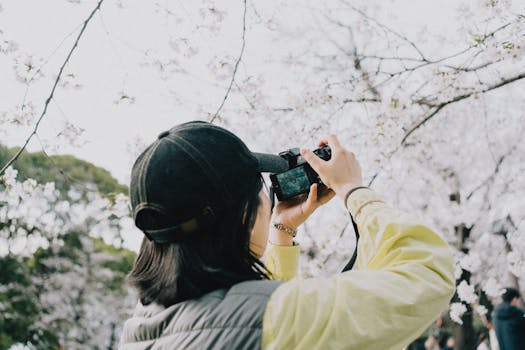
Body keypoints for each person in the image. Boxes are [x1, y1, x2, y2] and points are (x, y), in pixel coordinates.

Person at [118, 121, 455, 350]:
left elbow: (241, 316)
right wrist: (353, 190)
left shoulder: (142, 324)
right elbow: (426, 275)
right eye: (260, 188)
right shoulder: (278, 318)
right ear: (243, 214)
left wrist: (283, 231)